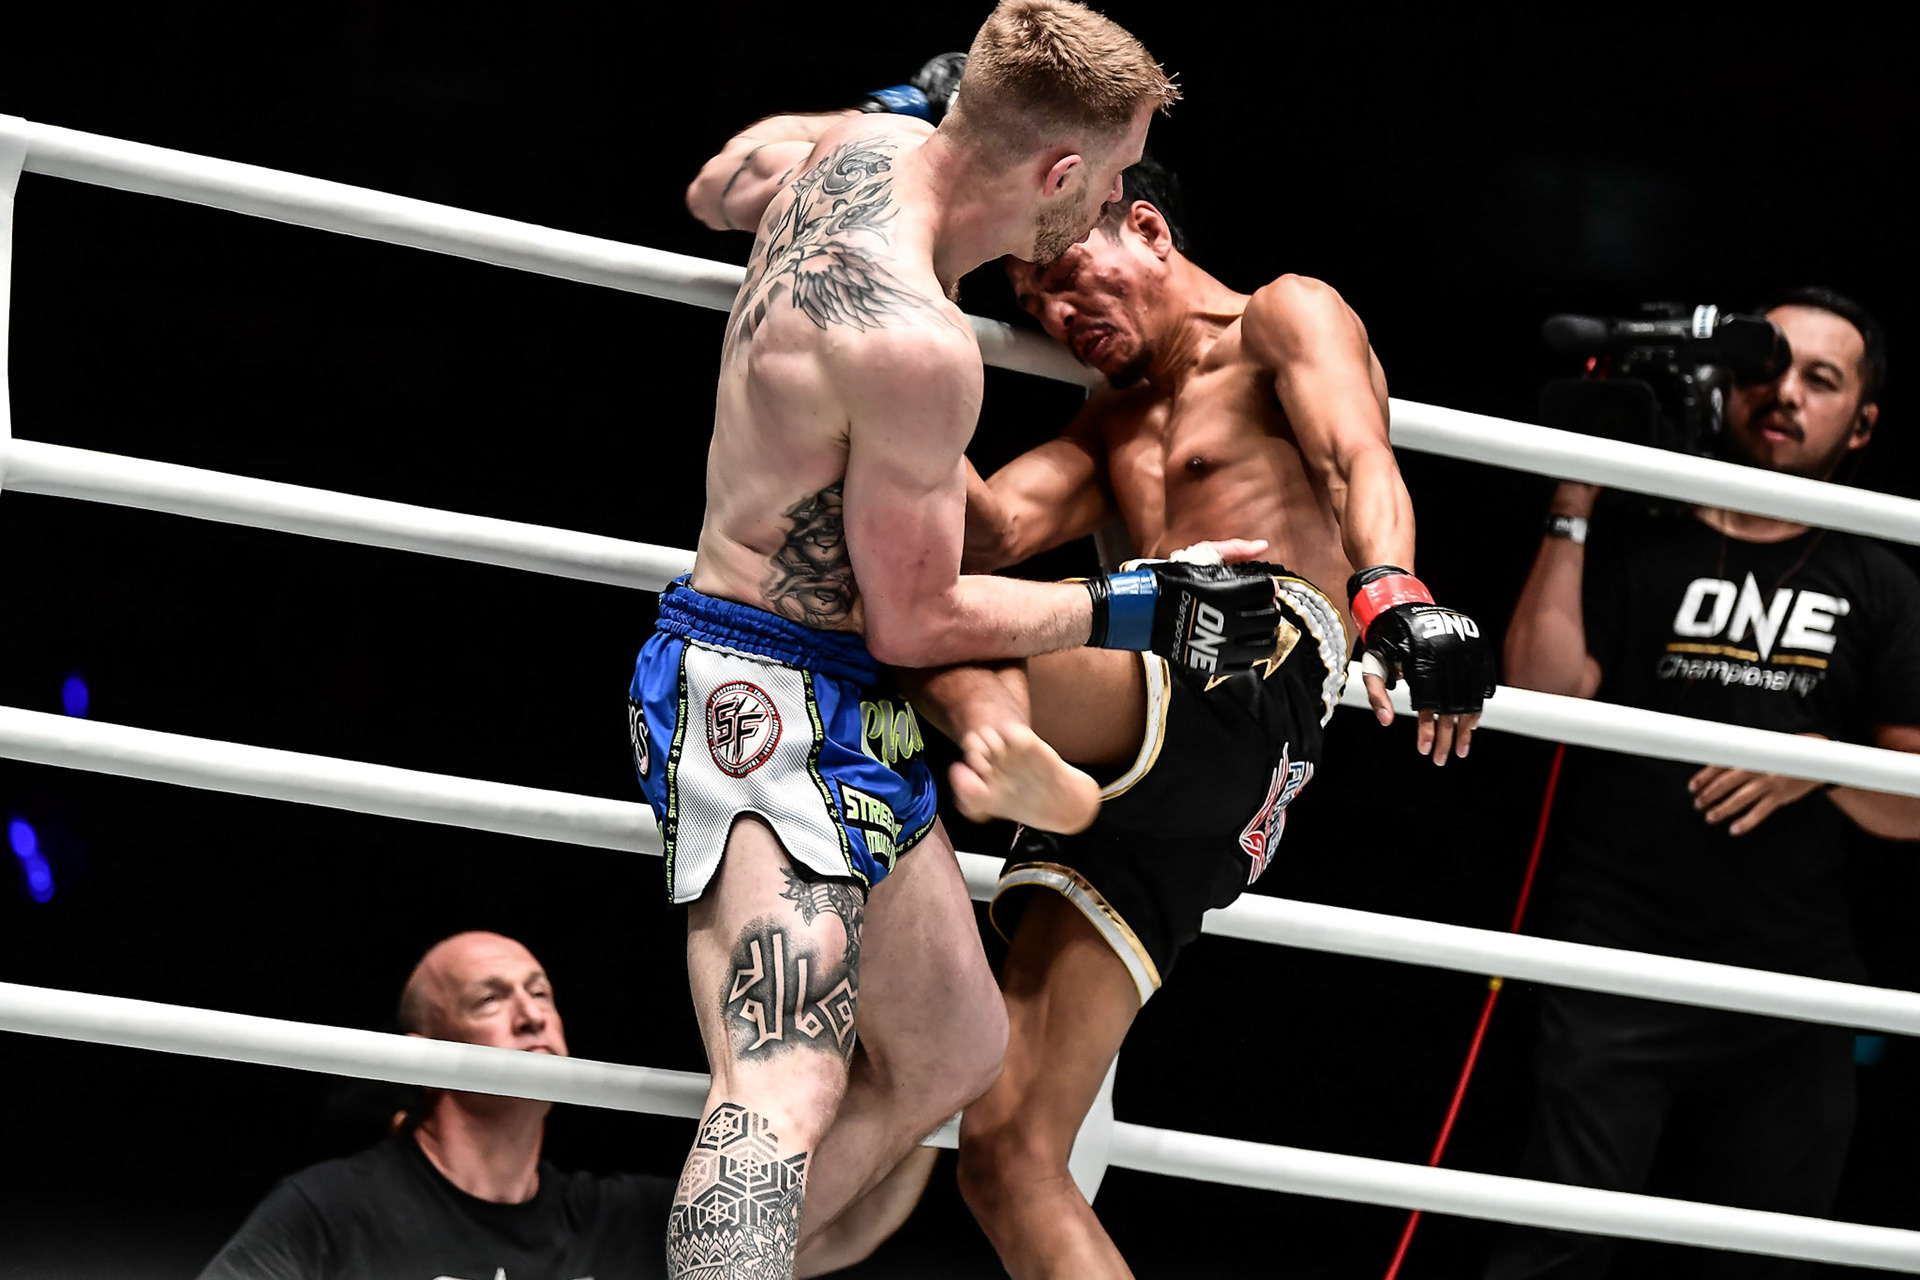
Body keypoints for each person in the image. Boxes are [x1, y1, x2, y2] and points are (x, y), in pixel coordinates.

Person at [654, 7, 1285, 1278]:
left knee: (956, 1043)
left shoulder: (853, 154)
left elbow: (719, 187)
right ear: (1063, 174)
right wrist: (1141, 607)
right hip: (761, 684)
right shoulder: (922, 347)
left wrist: (921, 98)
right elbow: (918, 615)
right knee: (781, 1080)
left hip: (848, 688)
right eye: (1113, 177)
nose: (1117, 203)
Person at [914, 160, 1496, 1279]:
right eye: (1031, 305)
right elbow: (983, 531)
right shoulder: (1109, 425)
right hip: (1157, 742)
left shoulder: (1284, 313)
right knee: (1008, 1154)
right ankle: (1033, 764)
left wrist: (1391, 591)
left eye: (1063, 276)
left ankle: (1016, 749)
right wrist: (905, 323)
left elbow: (1354, 456)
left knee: (923, 625)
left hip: (1252, 663)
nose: (1056, 315)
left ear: (1146, 227)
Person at [1486, 287, 1920, 1280]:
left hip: (1790, 983)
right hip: (1615, 958)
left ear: (1861, 424)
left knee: (1764, 1258)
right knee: (1553, 1252)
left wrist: (1819, 765)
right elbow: (1542, 694)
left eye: (1821, 379)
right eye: (1768, 364)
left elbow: (1915, 801)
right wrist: (1573, 503)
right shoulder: (1641, 533)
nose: (1785, 393)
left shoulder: (1882, 579)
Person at [199, 931, 674, 1280]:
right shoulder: (330, 1210)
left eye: (540, 993)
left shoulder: (628, 1219)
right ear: (422, 1056)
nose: (532, 1016)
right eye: (490, 999)